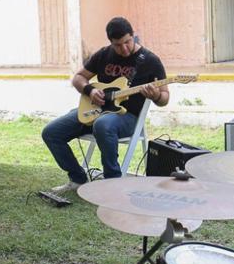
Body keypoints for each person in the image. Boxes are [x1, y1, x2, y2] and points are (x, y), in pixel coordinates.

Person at [41, 17, 168, 192]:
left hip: (127, 117)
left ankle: (111, 185)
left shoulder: (150, 61)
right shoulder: (104, 55)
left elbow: (165, 98)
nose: (123, 48)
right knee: (51, 132)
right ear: (110, 42)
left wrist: (155, 95)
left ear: (133, 36)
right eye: (117, 45)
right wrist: (90, 91)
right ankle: (77, 179)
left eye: (127, 42)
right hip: (95, 111)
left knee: (103, 124)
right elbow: (78, 78)